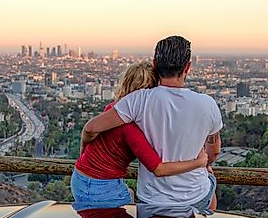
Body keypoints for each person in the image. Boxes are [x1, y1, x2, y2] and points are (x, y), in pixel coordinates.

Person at [81, 36, 222, 213]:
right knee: (209, 185)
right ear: (188, 67)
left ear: (155, 64)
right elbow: (214, 151)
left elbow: (92, 127)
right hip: (195, 196)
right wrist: (204, 164)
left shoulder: (137, 101)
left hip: (151, 199)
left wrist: (84, 154)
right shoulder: (207, 104)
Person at [72, 62, 207, 208]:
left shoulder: (112, 110)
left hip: (79, 179)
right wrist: (199, 163)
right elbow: (159, 169)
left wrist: (83, 154)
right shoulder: (131, 129)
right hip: (103, 188)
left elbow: (89, 130)